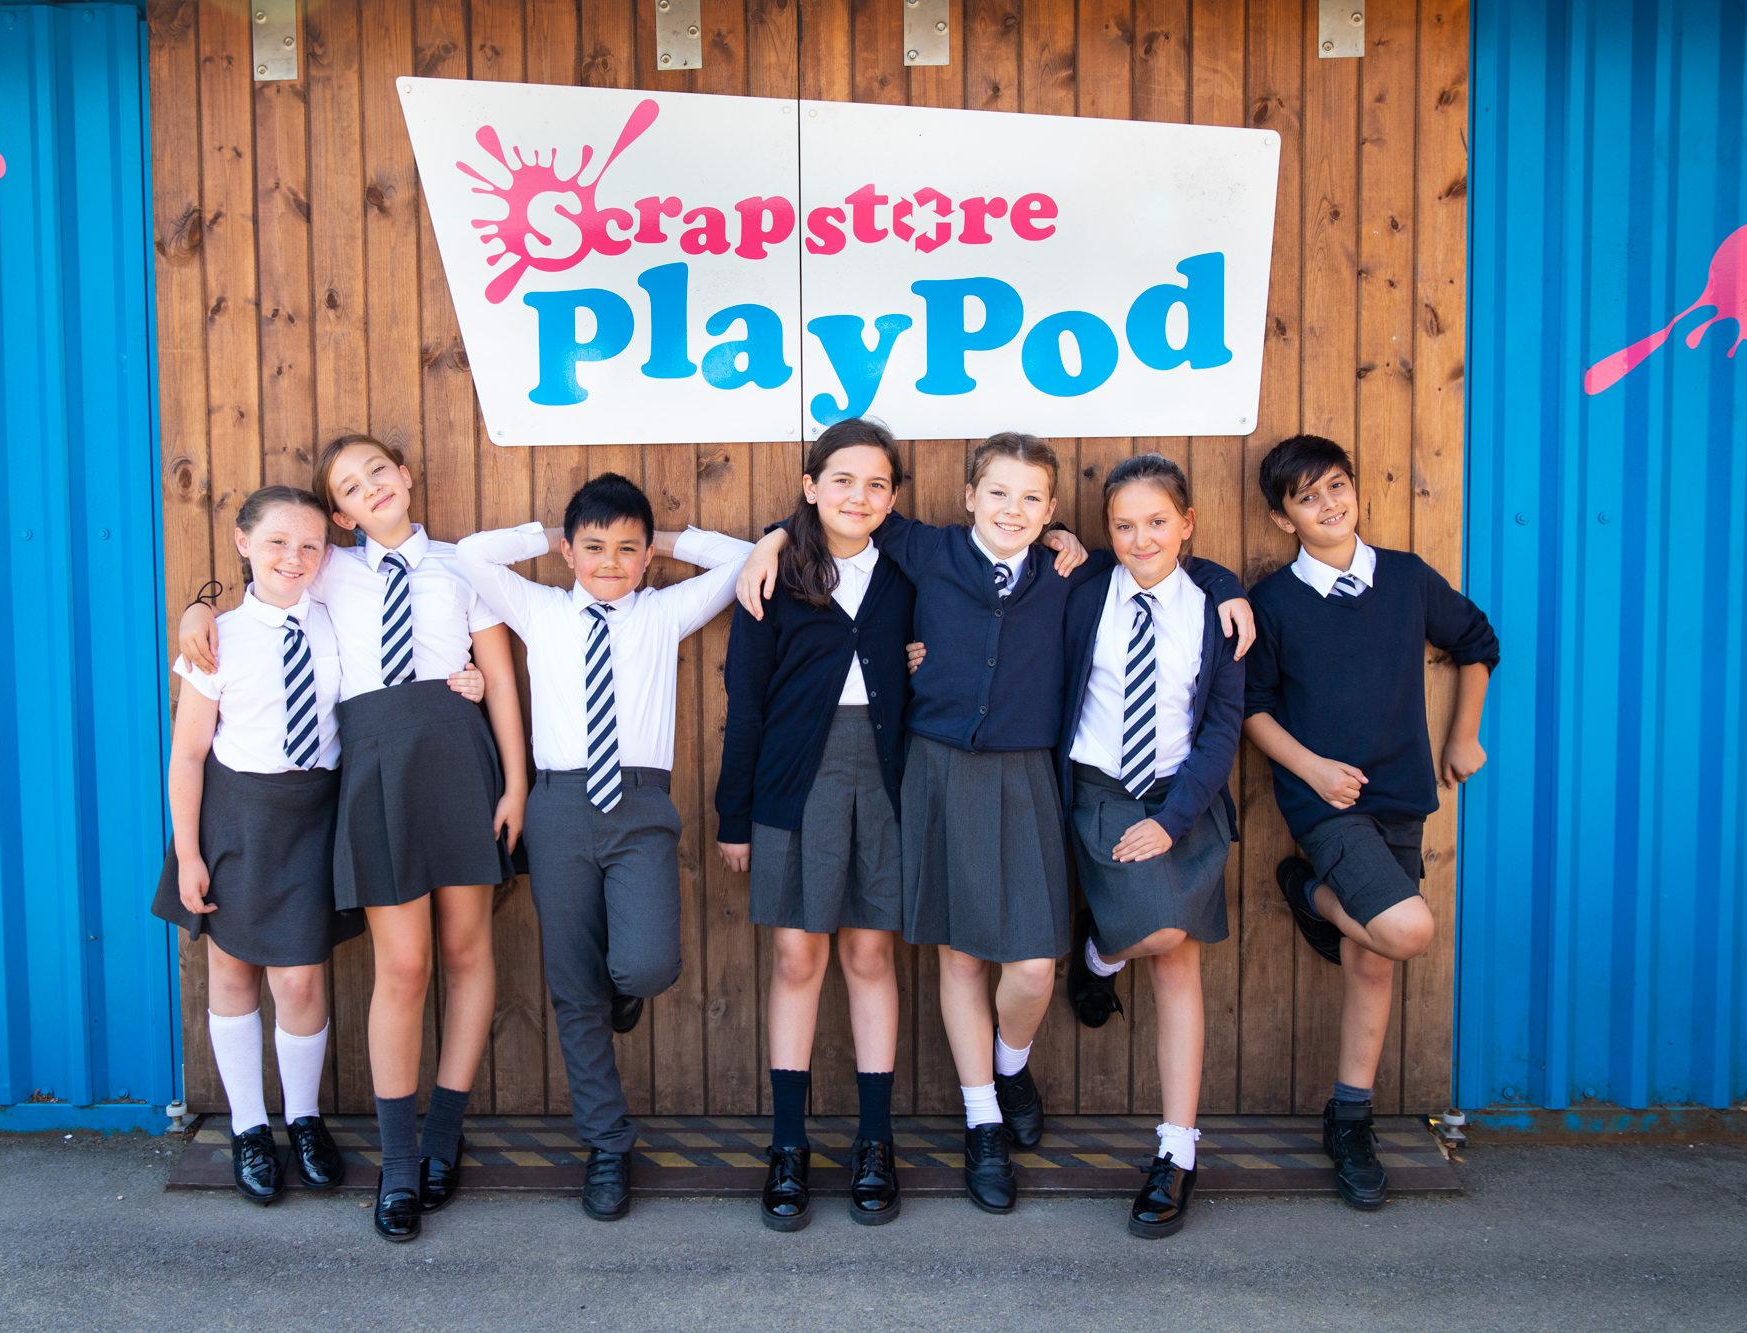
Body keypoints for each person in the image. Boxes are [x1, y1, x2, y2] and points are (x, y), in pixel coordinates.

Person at [739, 431, 1253, 1213]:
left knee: (1033, 966)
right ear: (969, 497)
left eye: (1032, 498)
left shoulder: (1070, 574)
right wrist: (771, 539)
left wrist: (1223, 582)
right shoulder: (928, 549)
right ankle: (982, 1121)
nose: (1013, 509)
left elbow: (1160, 566)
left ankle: (1011, 1064)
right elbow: (844, 511)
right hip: (938, 768)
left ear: (1052, 511)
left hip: (1028, 773)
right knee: (960, 955)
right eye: (999, 493)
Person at [180, 434, 528, 1242]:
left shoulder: (464, 566)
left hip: (459, 759)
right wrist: (199, 606)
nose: (370, 486)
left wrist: (515, 781)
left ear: (406, 475)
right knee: (403, 964)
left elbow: (501, 677)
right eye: (348, 486)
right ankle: (398, 1161)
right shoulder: (330, 567)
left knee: (467, 949)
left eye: (379, 469)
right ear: (339, 515)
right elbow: (265, 576)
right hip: (374, 769)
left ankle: (443, 1133)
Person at [455, 473, 753, 1222]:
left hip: (641, 804)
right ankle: (607, 1144)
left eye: (627, 548)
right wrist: (542, 532)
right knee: (572, 984)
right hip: (557, 806)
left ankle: (625, 986)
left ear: (646, 555)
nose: (610, 562)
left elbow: (746, 559)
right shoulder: (539, 609)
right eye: (593, 547)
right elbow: (471, 555)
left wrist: (670, 542)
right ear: (568, 551)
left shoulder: (662, 612)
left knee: (645, 965)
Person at [1242, 433, 1498, 1210]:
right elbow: (1252, 708)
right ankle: (1305, 884)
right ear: (1284, 518)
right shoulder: (1273, 602)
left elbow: (1476, 640)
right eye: (1307, 497)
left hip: (1400, 796)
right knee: (1407, 929)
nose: (1328, 503)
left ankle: (1349, 1118)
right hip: (1325, 805)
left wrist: (1462, 736)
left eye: (1337, 485)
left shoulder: (1407, 579)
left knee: (1374, 956)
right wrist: (1314, 768)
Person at [716, 420, 915, 1230]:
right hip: (795, 781)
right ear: (810, 486)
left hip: (887, 779)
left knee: (869, 951)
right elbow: (746, 702)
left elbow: (1000, 549)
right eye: (841, 479)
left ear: (893, 498)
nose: (858, 496)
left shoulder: (907, 570)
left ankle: (875, 1141)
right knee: (798, 955)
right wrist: (735, 815)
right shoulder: (775, 572)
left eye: (876, 484)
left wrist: (1067, 538)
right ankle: (789, 1143)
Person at [153, 485, 359, 1206]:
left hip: (314, 813)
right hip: (236, 816)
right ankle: (248, 1126)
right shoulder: (216, 638)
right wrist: (189, 852)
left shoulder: (340, 622)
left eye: (309, 545)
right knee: (233, 969)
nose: (293, 557)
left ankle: (303, 1118)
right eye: (276, 541)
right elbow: (187, 755)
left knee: (299, 979)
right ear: (243, 543)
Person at [1059, 455, 1244, 1238]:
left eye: (1158, 522)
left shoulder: (1217, 608)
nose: (1142, 539)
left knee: (1176, 959)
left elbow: (1223, 726)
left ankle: (1177, 1148)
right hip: (1103, 788)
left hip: (1184, 795)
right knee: (1161, 931)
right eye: (1125, 525)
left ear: (1187, 523)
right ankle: (1103, 948)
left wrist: (1174, 818)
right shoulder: (1081, 590)